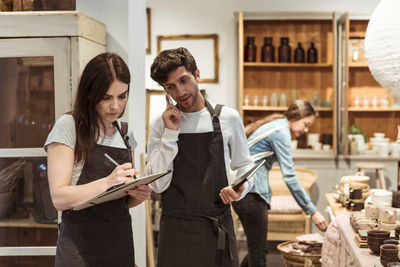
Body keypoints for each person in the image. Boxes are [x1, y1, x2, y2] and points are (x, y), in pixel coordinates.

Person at [146, 47, 255, 267]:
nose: (180, 92)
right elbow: (157, 185)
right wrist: (170, 134)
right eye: (171, 87)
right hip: (176, 233)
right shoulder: (160, 124)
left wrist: (240, 189)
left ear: (197, 74)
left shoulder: (228, 118)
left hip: (216, 230)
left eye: (184, 81)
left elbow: (245, 166)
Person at [44, 52, 152, 267]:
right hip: (79, 249)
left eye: (122, 96)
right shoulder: (69, 126)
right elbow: (59, 198)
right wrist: (107, 182)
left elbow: (123, 202)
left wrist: (138, 195)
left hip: (118, 246)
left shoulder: (125, 133)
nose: (116, 106)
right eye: (106, 97)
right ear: (90, 93)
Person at [232, 100, 328, 267]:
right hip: (252, 194)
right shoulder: (281, 132)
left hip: (245, 193)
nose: (305, 130)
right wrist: (312, 211)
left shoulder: (277, 125)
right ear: (296, 117)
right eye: (306, 124)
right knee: (258, 255)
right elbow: (289, 176)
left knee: (257, 249)